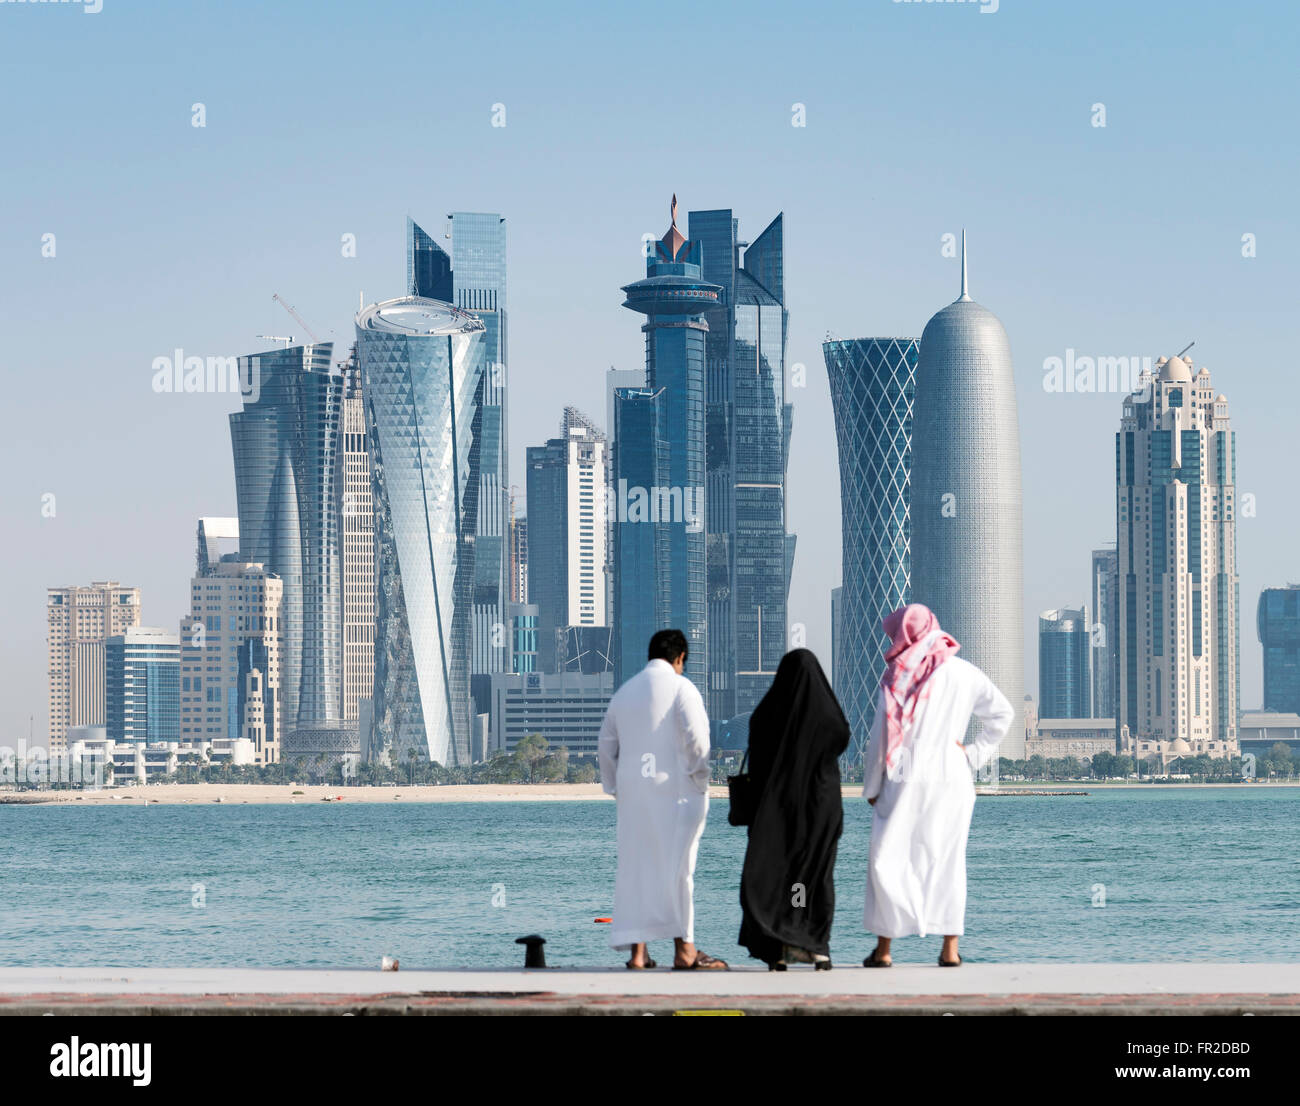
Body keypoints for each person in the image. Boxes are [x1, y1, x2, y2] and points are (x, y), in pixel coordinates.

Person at [861, 604, 1012, 968]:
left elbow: (880, 738)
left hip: (905, 775)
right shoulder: (964, 672)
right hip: (952, 777)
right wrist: (973, 755)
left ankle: (884, 950)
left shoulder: (899, 676)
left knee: (888, 858)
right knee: (947, 859)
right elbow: (1003, 714)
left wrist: (871, 787)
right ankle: (950, 949)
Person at [598, 629, 728, 970]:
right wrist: (700, 780)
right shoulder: (682, 688)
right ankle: (685, 951)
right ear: (680, 657)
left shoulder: (623, 694)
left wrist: (616, 789)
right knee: (679, 871)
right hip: (678, 796)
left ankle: (638, 954)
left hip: (633, 800)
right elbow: (699, 742)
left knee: (637, 871)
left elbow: (606, 750)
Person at [738, 649, 850, 971]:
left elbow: (758, 764)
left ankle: (780, 944)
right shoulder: (829, 717)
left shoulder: (767, 714)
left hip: (777, 812)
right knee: (811, 877)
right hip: (820, 810)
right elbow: (841, 740)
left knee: (783, 877)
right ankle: (814, 944)